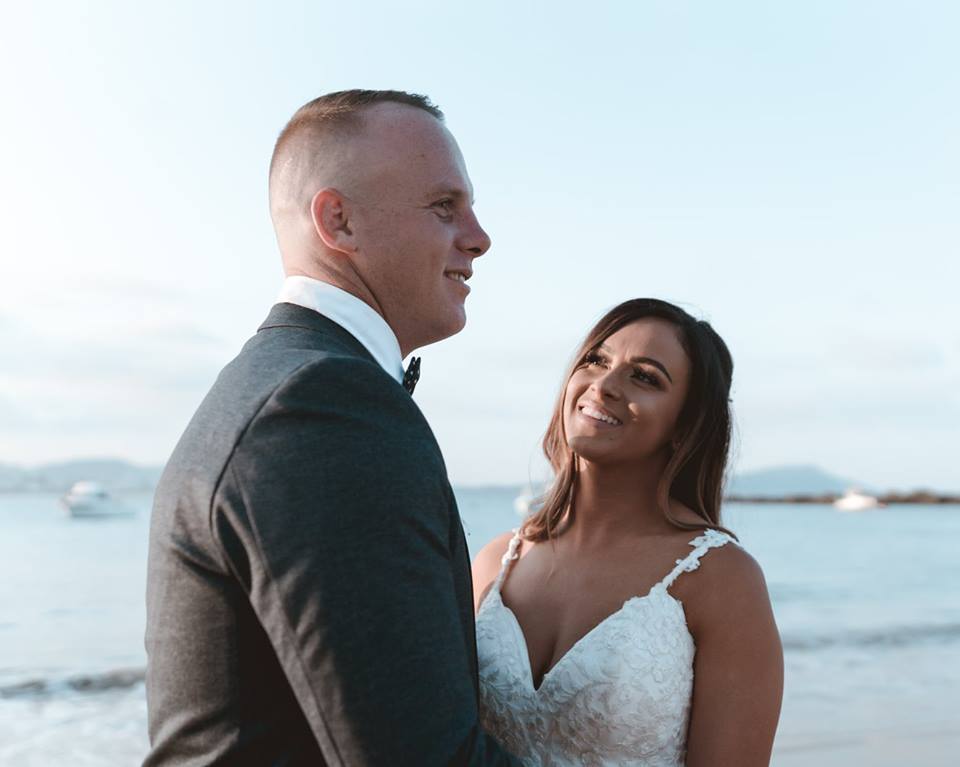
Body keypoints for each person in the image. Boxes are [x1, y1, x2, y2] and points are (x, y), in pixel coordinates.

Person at [144, 90, 520, 765]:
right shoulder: (322, 406)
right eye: (444, 206)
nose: (479, 237)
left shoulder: (283, 380)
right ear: (338, 221)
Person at [472, 298, 783, 766]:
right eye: (596, 360)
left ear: (686, 426)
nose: (603, 385)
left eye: (645, 377)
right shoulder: (496, 564)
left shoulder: (720, 579)